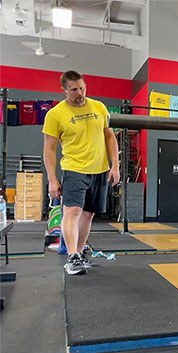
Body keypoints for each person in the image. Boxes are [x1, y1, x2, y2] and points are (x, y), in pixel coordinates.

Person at [43, 70, 120, 275]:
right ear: (64, 90)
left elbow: (110, 137)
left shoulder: (99, 107)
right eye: (74, 89)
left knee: (88, 214)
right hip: (74, 168)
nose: (80, 93)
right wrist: (52, 179)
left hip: (100, 169)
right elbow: (49, 149)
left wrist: (115, 166)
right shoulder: (56, 114)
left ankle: (78, 253)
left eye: (82, 88)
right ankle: (71, 256)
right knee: (73, 211)